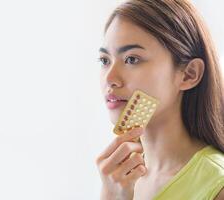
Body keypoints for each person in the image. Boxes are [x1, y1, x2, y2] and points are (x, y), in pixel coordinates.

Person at [95, 0, 224, 199]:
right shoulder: (118, 179)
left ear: (189, 74)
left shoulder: (217, 184)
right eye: (105, 61)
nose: (110, 79)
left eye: (132, 59)